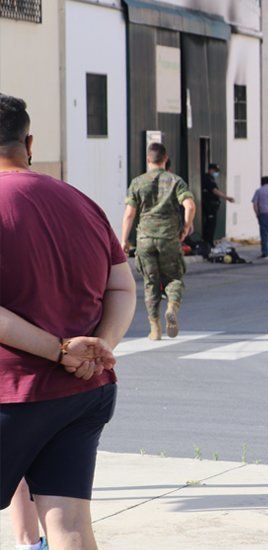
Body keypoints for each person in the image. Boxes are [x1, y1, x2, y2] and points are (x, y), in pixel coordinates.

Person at [0, 93, 137, 548]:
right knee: (70, 522)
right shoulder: (79, 200)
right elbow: (122, 287)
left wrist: (61, 351)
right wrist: (100, 348)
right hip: (85, 391)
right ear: (29, 141)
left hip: (14, 392)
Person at [121, 142, 196, 340]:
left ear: (148, 159)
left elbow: (129, 214)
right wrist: (186, 227)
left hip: (144, 239)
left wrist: (124, 240)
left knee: (150, 283)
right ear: (166, 159)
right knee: (173, 278)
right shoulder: (175, 181)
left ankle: (154, 328)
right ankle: (171, 306)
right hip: (169, 238)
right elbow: (189, 205)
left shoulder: (137, 182)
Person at [200, 163, 234, 246]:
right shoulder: (208, 178)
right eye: (215, 171)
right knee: (210, 225)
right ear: (210, 170)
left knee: (210, 224)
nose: (216, 173)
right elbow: (214, 190)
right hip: (209, 206)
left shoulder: (210, 178)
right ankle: (208, 242)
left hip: (211, 205)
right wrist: (227, 198)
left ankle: (208, 242)